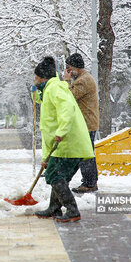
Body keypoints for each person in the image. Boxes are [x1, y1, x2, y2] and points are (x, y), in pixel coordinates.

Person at [32, 56, 94, 222]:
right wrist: (46, 157)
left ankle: (72, 210)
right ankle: (54, 208)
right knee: (59, 177)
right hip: (64, 144)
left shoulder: (55, 88)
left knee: (53, 175)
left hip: (67, 143)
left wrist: (61, 131)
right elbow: (48, 119)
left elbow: (66, 109)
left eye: (36, 77)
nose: (34, 81)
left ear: (43, 77)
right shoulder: (49, 90)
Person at [63, 53, 100, 193]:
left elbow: (69, 96)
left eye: (69, 68)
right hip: (87, 122)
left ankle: (90, 183)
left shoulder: (83, 81)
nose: (68, 72)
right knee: (85, 153)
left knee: (85, 154)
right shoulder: (83, 78)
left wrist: (66, 81)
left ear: (76, 67)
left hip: (86, 123)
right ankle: (89, 181)